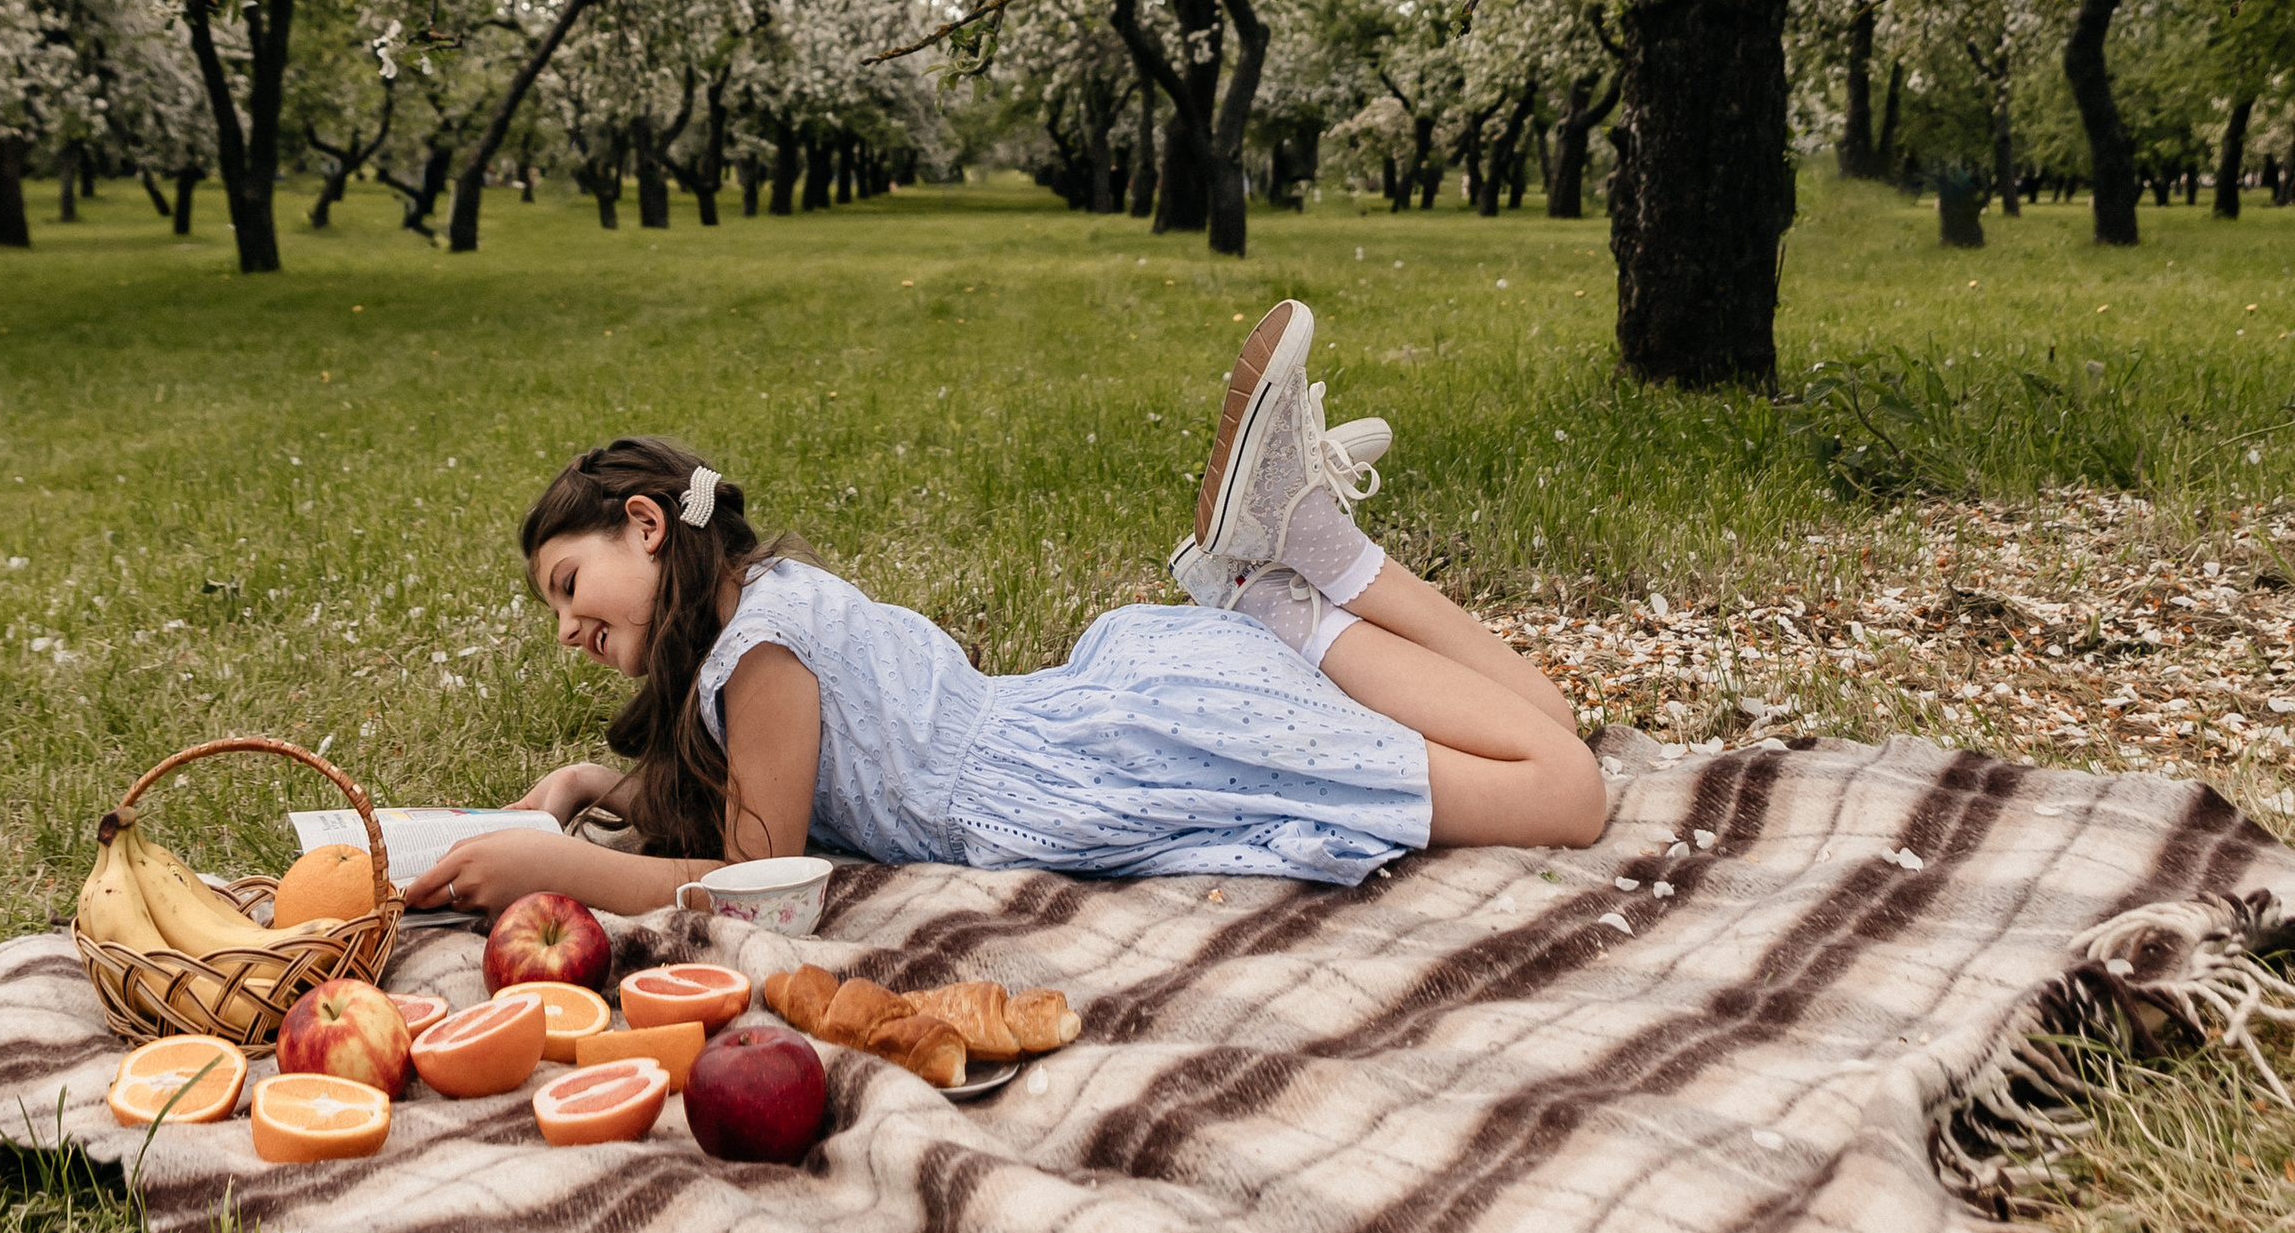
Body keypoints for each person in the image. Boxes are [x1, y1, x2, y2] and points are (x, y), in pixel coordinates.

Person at [402, 298, 1607, 922]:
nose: (563, 627)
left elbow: (754, 882)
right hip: (1094, 721)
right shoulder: (753, 615)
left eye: (568, 586)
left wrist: (553, 869)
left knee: (1566, 789)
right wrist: (577, 791)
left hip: (1113, 767)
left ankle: (1297, 591)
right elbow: (759, 803)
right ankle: (1302, 567)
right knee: (1548, 719)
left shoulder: (762, 652)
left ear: (647, 528)